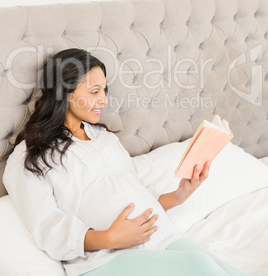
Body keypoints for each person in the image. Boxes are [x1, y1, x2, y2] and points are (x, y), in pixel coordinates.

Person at [3, 48, 246, 276]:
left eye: (104, 91)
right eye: (94, 91)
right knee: (200, 265)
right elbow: (47, 226)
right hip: (103, 258)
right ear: (64, 92)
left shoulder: (104, 138)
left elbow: (129, 194)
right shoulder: (31, 155)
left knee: (227, 269)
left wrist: (178, 196)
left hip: (158, 236)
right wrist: (110, 238)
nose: (104, 100)